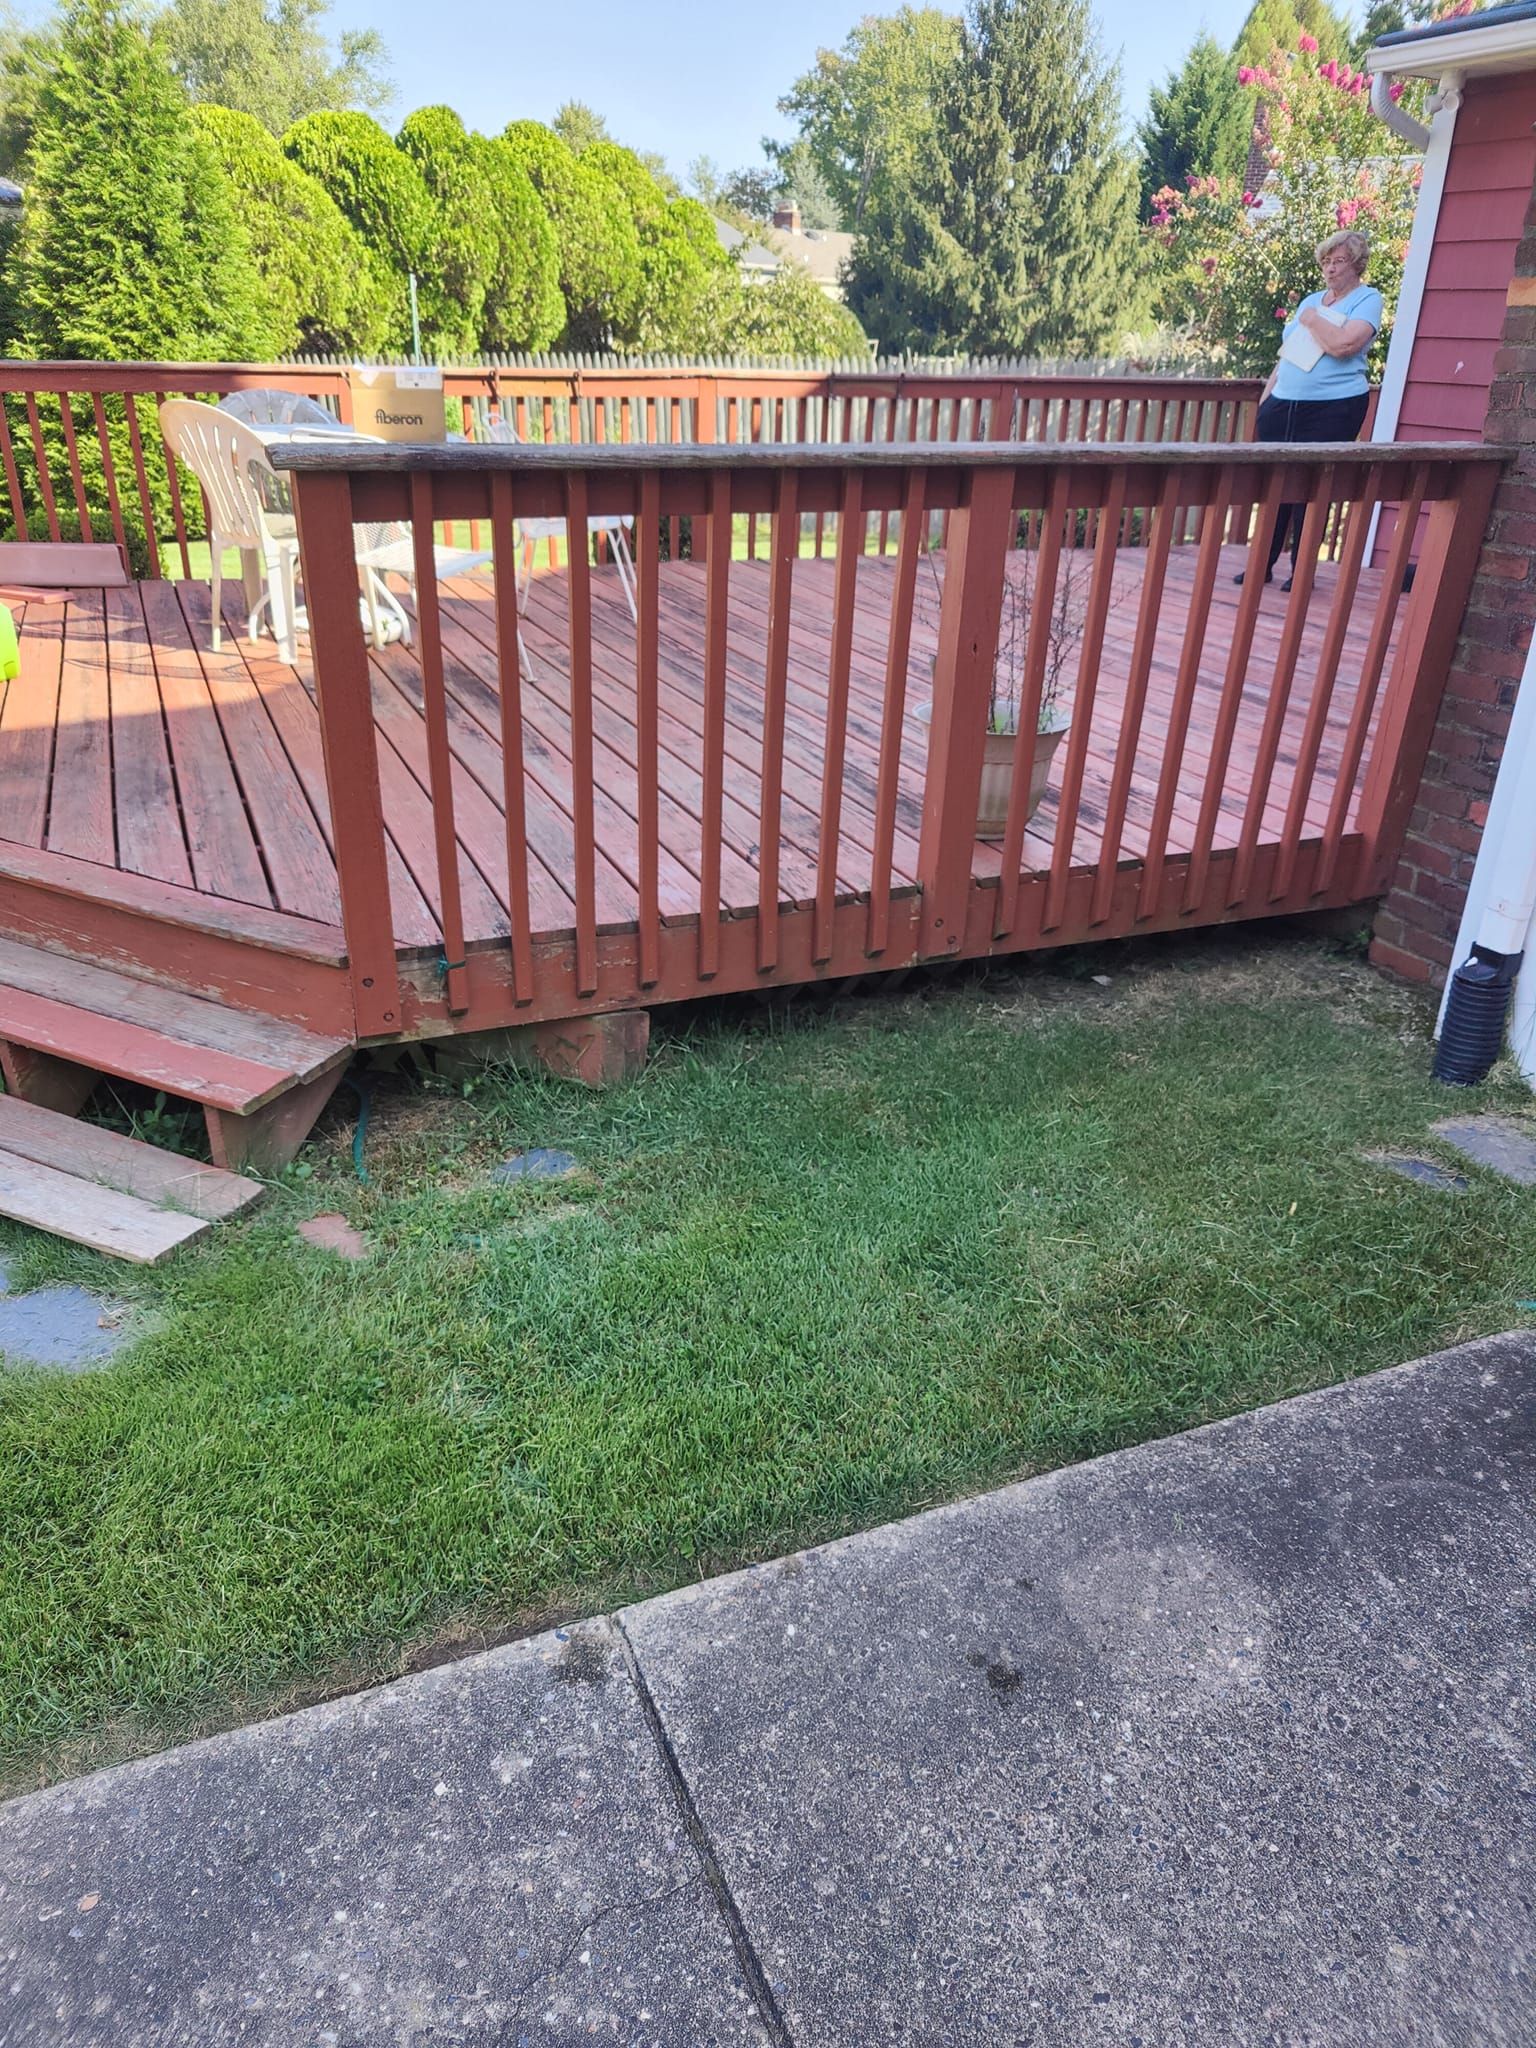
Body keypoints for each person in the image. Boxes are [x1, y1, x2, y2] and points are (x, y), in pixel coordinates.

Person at [1236, 228, 1382, 591]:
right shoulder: (1311, 300)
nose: (1330, 270)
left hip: (1334, 409)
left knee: (1314, 488)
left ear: (1357, 265)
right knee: (1274, 487)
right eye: (1326, 262)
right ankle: (1262, 565)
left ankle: (1301, 572)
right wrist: (1266, 401)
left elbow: (1345, 344)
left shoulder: (1367, 299)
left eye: (1339, 262)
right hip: (1283, 405)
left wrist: (1314, 320)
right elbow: (1286, 357)